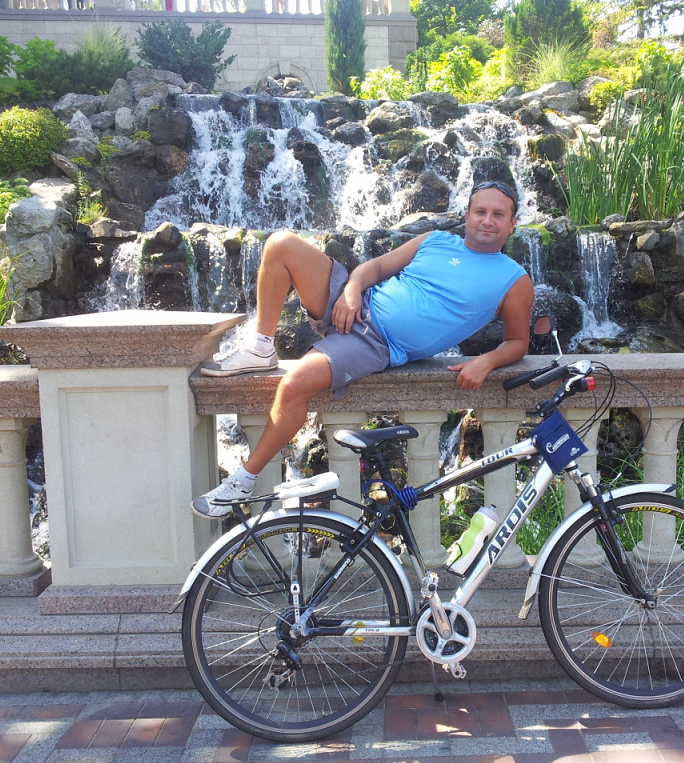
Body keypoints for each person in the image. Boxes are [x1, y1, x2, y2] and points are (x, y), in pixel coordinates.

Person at [191, 180, 535, 518]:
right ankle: (261, 347)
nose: (487, 220)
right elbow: (378, 267)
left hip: (374, 343)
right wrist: (352, 290)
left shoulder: (514, 280)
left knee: (294, 384)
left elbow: (518, 342)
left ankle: (243, 481)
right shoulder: (435, 240)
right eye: (480, 211)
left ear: (512, 223)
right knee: (281, 244)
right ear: (467, 215)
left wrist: (487, 361)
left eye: (498, 214)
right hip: (354, 303)